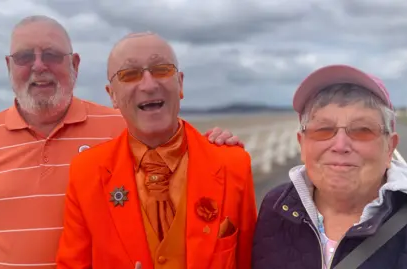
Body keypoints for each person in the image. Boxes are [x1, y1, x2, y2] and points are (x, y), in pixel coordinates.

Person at [0, 16, 244, 269]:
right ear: (8, 66)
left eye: (53, 55)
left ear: (76, 64)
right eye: (24, 57)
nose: (39, 66)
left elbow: (172, 136)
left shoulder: (123, 124)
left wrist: (218, 144)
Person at [55, 32, 257, 269]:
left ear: (180, 83)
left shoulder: (233, 163)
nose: (149, 85)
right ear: (113, 96)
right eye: (129, 75)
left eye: (161, 69)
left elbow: (249, 261)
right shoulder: (86, 173)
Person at [251, 64, 407, 268]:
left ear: (389, 147)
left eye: (363, 130)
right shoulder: (275, 207)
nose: (340, 145)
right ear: (302, 144)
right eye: (323, 129)